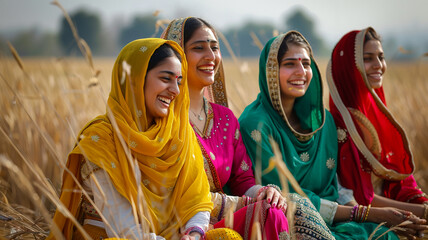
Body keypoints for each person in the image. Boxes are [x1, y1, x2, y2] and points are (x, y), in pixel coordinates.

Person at [238, 31, 427, 239]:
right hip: (287, 223)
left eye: (306, 64)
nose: (301, 71)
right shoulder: (256, 124)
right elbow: (286, 197)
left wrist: (372, 216)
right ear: (270, 70)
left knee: (383, 235)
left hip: (335, 219)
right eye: (290, 64)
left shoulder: (324, 123)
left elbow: (336, 187)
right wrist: (366, 213)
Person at [47, 38, 213, 240]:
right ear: (135, 79)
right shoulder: (101, 138)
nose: (176, 91)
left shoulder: (178, 134)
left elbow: (197, 197)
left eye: (178, 81)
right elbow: (125, 230)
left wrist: (194, 233)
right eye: (165, 78)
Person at [162, 17, 291, 240]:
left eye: (215, 48)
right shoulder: (165, 115)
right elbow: (176, 195)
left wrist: (264, 192)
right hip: (183, 227)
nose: (211, 57)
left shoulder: (225, 119)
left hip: (223, 221)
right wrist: (247, 203)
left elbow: (242, 181)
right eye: (198, 48)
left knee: (277, 209)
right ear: (176, 56)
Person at [327, 27, 428, 236]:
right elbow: (359, 197)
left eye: (381, 57)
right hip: (365, 220)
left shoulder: (377, 117)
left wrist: (422, 207)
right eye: (368, 58)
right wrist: (423, 212)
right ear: (348, 66)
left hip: (398, 211)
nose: (378, 65)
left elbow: (399, 179)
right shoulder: (337, 128)